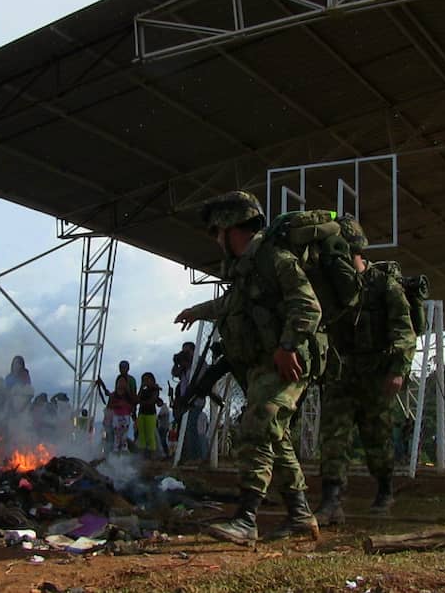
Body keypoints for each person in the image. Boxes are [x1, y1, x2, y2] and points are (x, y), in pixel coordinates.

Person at [174, 190, 322, 544]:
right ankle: (300, 515)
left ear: (229, 228)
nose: (215, 240)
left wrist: (287, 347)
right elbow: (231, 304)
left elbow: (309, 307)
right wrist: (198, 311)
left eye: (216, 232)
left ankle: (246, 518)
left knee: (255, 428)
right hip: (261, 365)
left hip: (287, 363)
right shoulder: (246, 269)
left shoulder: (275, 259)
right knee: (276, 438)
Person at [315, 216, 416, 525]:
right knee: (333, 437)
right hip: (341, 373)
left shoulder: (383, 284)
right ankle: (332, 500)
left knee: (378, 438)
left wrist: (398, 369)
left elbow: (404, 329)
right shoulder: (331, 287)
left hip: (376, 374)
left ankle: (385, 490)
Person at [106, 376, 136, 454]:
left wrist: (126, 405)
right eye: (120, 381)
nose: (121, 383)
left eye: (123, 381)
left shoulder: (128, 396)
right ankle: (115, 451)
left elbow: (132, 406)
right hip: (116, 417)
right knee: (116, 435)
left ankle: (124, 451)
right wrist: (118, 405)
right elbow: (109, 406)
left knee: (124, 436)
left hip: (126, 417)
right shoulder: (113, 395)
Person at [136, 372, 162, 459]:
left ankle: (153, 455)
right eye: (144, 380)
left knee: (150, 435)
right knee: (142, 435)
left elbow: (152, 400)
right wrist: (141, 388)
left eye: (147, 379)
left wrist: (142, 402)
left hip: (150, 414)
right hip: (141, 413)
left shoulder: (155, 389)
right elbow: (137, 398)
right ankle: (142, 456)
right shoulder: (143, 390)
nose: (146, 381)